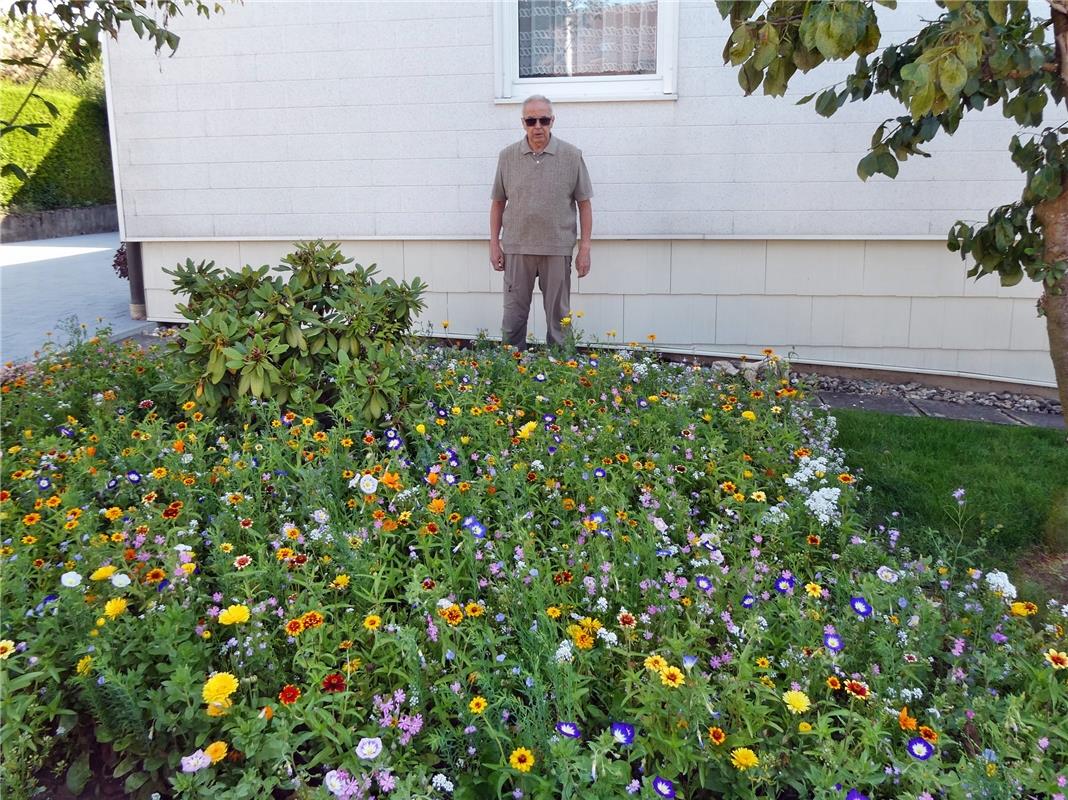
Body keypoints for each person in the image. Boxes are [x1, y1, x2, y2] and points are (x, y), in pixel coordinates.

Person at [490, 95, 593, 349]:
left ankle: (562, 374)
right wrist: (494, 244)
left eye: (544, 120)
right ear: (523, 123)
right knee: (513, 319)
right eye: (531, 120)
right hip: (517, 248)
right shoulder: (507, 157)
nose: (538, 126)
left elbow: (584, 204)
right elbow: (498, 203)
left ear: (552, 121)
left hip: (557, 249)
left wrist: (585, 248)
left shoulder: (571, 156)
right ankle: (509, 372)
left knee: (560, 320)